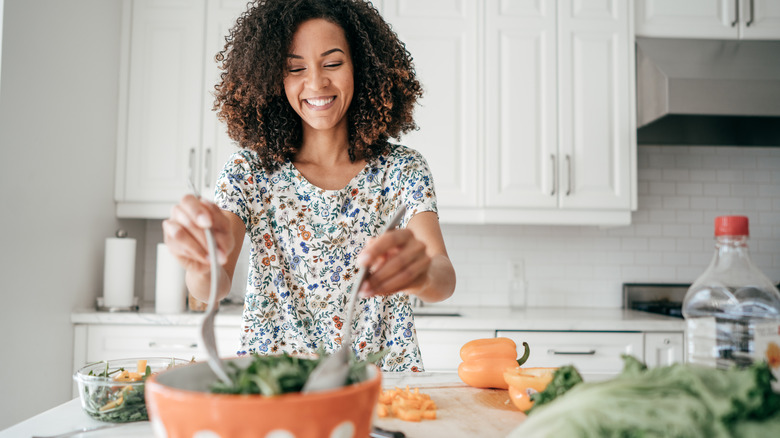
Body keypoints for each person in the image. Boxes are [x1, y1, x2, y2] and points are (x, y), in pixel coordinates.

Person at [162, 0, 456, 371]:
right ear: (273, 80)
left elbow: (443, 277)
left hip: (381, 386)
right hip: (278, 384)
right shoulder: (249, 171)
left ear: (361, 67)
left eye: (332, 63)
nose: (316, 83)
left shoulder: (401, 169)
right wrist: (202, 263)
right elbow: (211, 288)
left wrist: (421, 274)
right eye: (295, 68)